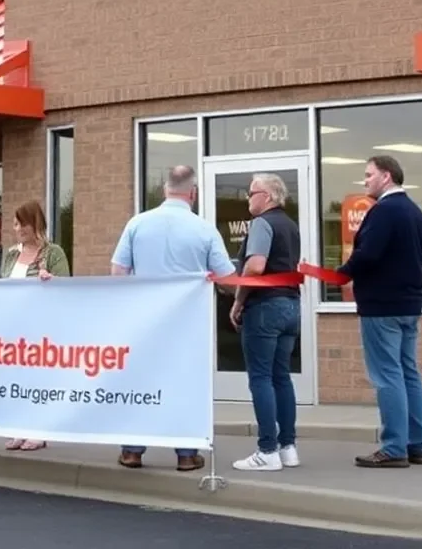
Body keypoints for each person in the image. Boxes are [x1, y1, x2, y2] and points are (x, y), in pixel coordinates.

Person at [110, 164, 236, 472]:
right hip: (188, 325)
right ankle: (186, 454)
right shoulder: (204, 229)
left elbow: (118, 273)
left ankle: (132, 451)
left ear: (165, 189)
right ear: (193, 193)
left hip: (145, 322)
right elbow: (230, 281)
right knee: (186, 386)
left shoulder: (137, 224)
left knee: (141, 384)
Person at [338, 154, 422, 468]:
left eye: (369, 175)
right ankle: (417, 444)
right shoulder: (415, 212)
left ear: (386, 176)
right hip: (409, 304)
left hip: (382, 306)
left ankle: (393, 447)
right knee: (408, 372)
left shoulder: (384, 212)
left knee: (387, 375)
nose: (365, 181)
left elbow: (368, 255)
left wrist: (342, 273)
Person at [0, 199, 69, 451]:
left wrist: (52, 280)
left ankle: (39, 430)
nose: (16, 229)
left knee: (39, 380)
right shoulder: (12, 253)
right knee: (15, 379)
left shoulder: (53, 252)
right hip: (12, 328)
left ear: (33, 223)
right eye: (14, 224)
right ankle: (17, 427)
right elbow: (3, 284)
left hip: (40, 328)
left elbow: (67, 288)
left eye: (20, 223)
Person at [230, 172, 302, 473]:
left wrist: (238, 299)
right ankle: (288, 448)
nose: (248, 198)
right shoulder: (290, 225)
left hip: (264, 307)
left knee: (260, 378)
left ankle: (267, 450)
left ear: (268, 197)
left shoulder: (262, 224)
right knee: (281, 377)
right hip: (290, 306)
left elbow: (256, 266)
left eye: (251, 192)